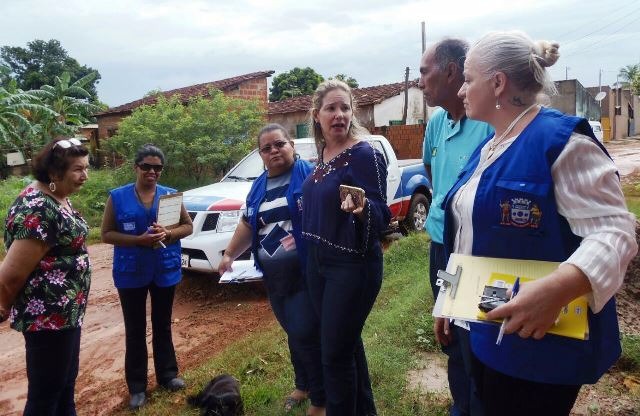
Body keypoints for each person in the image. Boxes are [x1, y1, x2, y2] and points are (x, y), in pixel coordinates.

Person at [444, 31, 638, 415]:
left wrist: (559, 289)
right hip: (485, 328)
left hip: (540, 346)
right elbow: (466, 236)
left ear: (497, 82)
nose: (461, 91)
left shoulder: (562, 142)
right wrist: (448, 300)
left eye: (468, 79)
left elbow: (615, 231)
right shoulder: (490, 147)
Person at [218, 123, 325, 416]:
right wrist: (229, 254)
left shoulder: (310, 175)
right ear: (261, 155)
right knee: (292, 331)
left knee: (306, 332)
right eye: (267, 148)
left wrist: (306, 237)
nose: (274, 151)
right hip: (274, 278)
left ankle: (321, 399)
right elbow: (248, 223)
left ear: (291, 145)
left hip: (305, 274)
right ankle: (302, 384)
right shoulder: (259, 186)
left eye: (279, 144)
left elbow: (328, 215)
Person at [302, 79, 391, 416]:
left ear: (352, 112)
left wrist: (364, 208)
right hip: (318, 262)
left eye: (344, 108)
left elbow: (382, 213)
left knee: (334, 355)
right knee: (346, 346)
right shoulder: (322, 156)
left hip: (351, 266)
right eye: (331, 108)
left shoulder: (364, 153)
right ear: (317, 115)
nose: (339, 114)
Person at [419, 38, 493, 416]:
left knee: (481, 330)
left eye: (424, 72)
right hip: (443, 250)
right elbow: (433, 174)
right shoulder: (436, 123)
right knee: (448, 327)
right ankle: (461, 403)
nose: (420, 81)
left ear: (451, 72)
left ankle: (482, 402)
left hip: (480, 253)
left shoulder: (487, 121)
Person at [0, 138, 91, 415]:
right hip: (48, 319)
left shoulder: (58, 198)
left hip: (66, 314)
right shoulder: (39, 208)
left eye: (87, 168)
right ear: (54, 173)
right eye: (77, 169)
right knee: (45, 397)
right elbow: (11, 274)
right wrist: (2, 304)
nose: (84, 175)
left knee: (64, 388)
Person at [101, 144, 193, 410]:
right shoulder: (117, 197)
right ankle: (137, 387)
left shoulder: (170, 196)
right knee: (135, 329)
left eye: (157, 168)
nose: (152, 172)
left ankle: (167, 375)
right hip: (131, 271)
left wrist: (168, 234)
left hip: (164, 269)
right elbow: (106, 234)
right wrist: (138, 240)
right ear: (136, 168)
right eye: (146, 167)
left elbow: (187, 226)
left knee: (163, 324)